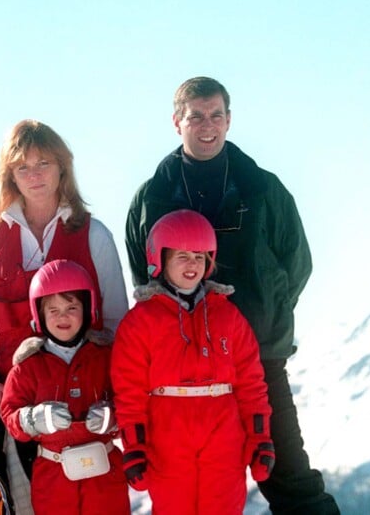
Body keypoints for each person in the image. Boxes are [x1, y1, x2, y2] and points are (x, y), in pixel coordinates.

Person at [125, 77, 340, 514]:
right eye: (196, 116)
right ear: (176, 122)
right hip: (180, 378)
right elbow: (143, 270)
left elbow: (296, 264)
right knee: (188, 491)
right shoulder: (152, 197)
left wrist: (263, 315)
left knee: (288, 475)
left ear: (229, 119)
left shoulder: (264, 189)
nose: (208, 126)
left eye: (216, 115)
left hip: (256, 357)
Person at [0, 119, 129, 514]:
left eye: (44, 163)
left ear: (62, 168)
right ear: (11, 177)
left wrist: (118, 402)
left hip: (84, 411)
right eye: (23, 166)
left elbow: (120, 323)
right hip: (13, 403)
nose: (34, 175)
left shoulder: (93, 234)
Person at [112, 209, 275, 514]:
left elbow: (252, 383)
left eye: (200, 257)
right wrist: (134, 446)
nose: (193, 265)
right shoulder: (141, 321)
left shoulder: (227, 315)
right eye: (182, 256)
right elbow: (129, 391)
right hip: (168, 434)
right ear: (160, 259)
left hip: (223, 432)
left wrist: (259, 436)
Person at [1, 259, 130, 515]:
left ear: (88, 309)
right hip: (53, 479)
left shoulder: (107, 356)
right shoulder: (28, 366)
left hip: (105, 476)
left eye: (72, 307)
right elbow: (10, 414)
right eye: (53, 310)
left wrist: (113, 417)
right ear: (39, 314)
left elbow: (131, 399)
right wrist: (34, 419)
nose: (63, 317)